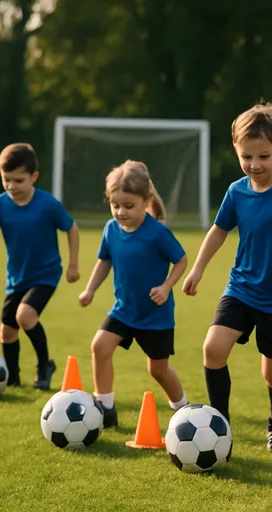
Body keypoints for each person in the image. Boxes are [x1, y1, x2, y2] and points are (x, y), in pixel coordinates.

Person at [182, 102, 272, 451]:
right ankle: (219, 425)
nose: (255, 165)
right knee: (213, 349)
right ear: (236, 151)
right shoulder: (236, 192)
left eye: (263, 156)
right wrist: (198, 268)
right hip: (241, 288)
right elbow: (218, 231)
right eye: (246, 157)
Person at [0, 143, 80, 390]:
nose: (12, 186)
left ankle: (44, 367)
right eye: (7, 180)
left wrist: (73, 264)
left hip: (46, 274)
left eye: (19, 180)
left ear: (34, 177)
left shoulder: (47, 204)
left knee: (25, 315)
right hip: (17, 278)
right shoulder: (1, 204)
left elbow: (71, 229)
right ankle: (11, 378)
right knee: (7, 333)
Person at [79, 160, 188, 428]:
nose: (120, 212)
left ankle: (183, 409)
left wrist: (166, 287)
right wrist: (90, 289)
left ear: (146, 200)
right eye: (115, 205)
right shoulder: (111, 230)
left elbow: (182, 260)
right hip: (124, 310)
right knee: (100, 347)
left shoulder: (158, 233)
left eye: (128, 206)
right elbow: (105, 261)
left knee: (158, 370)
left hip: (155, 316)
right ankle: (105, 408)